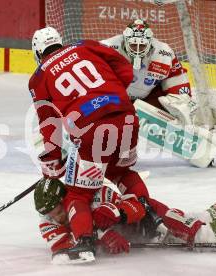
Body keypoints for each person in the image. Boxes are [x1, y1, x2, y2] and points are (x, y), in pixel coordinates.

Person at [28, 26, 154, 263]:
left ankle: (84, 243)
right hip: (125, 115)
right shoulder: (86, 45)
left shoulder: (38, 77)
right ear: (60, 42)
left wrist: (53, 161)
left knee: (77, 193)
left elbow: (49, 122)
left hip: (91, 128)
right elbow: (125, 69)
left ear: (37, 52)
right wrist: (111, 94)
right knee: (121, 171)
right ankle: (148, 217)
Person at [34, 178, 216, 264]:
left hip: (155, 221)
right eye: (48, 213)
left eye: (56, 210)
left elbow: (134, 204)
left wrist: (112, 219)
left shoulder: (96, 195)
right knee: (202, 218)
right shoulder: (48, 222)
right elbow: (61, 248)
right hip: (155, 227)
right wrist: (101, 238)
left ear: (65, 199)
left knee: (203, 236)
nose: (54, 217)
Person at [101, 19, 197, 127]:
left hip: (147, 100)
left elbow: (177, 80)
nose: (137, 50)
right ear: (125, 40)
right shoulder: (106, 48)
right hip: (114, 99)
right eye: (133, 45)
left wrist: (181, 104)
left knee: (178, 105)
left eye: (142, 46)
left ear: (150, 42)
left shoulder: (164, 53)